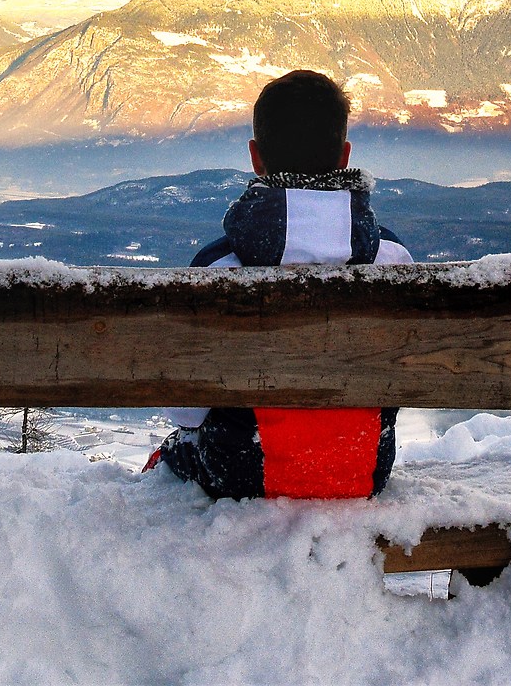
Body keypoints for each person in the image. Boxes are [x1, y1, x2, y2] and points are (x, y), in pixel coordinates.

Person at [149, 69, 414, 500]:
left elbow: (187, 412)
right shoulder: (391, 258)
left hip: (242, 472)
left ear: (256, 158)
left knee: (175, 453)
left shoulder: (221, 267)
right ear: (344, 156)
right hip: (362, 469)